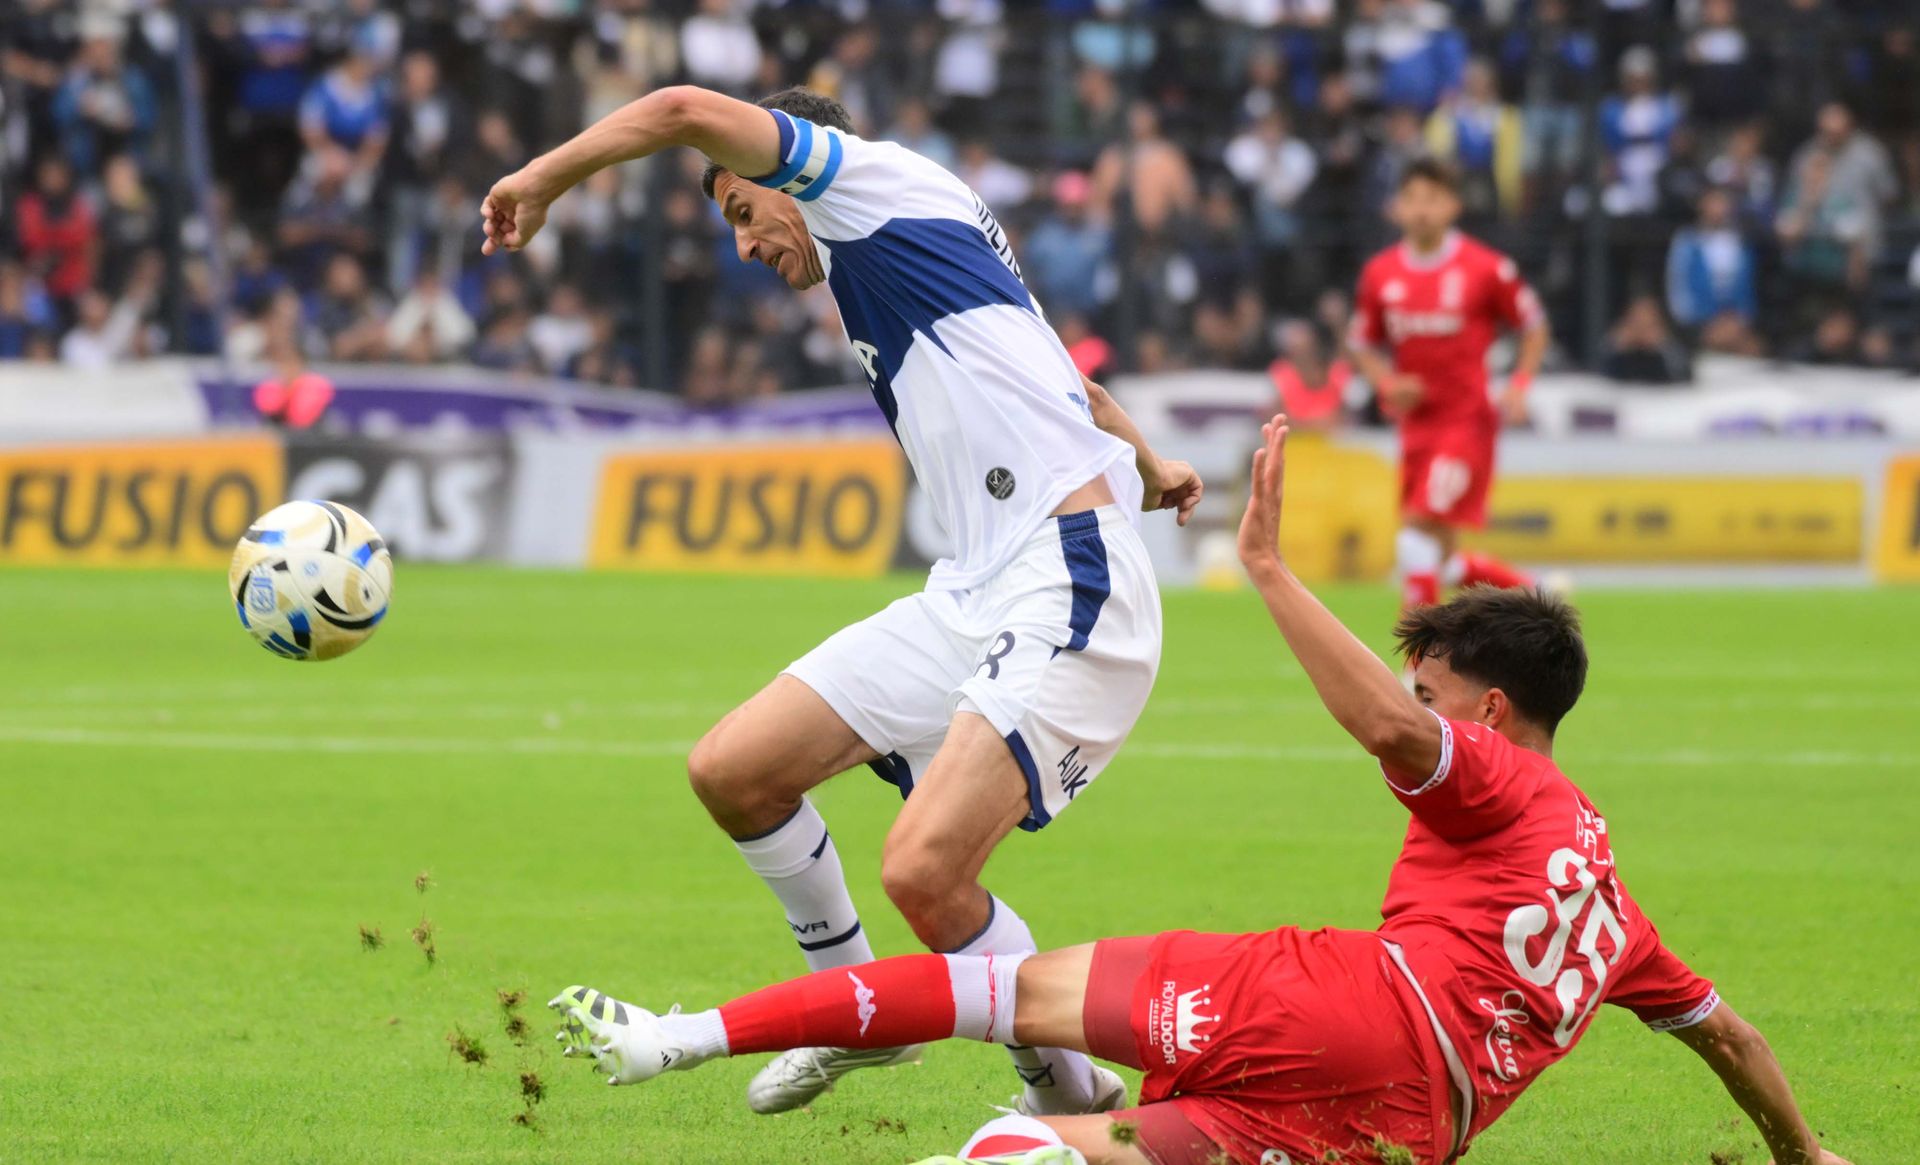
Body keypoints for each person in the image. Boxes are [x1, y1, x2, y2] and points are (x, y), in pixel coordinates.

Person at [547, 416, 1851, 1165]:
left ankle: (683, 1036)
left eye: (1444, 688)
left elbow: (1393, 731)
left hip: (1337, 1007)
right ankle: (1039, 1130)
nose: (1434, 712)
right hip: (1399, 1134)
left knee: (994, 985)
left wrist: (1272, 570)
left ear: (1496, 711)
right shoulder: (1615, 913)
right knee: (1066, 1156)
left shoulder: (1497, 779)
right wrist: (1807, 1154)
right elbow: (1730, 1038)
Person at [480, 84, 1203, 1118]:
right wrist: (1154, 458)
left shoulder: (862, 184)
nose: (742, 246)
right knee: (735, 769)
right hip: (975, 587)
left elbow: (683, 104)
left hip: (1068, 571)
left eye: (741, 212)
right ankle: (853, 1015)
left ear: (788, 173)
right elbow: (1065, 381)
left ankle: (1072, 1095)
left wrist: (540, 180)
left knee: (925, 872)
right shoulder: (911, 237)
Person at [1348, 157, 1548, 614]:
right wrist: (1388, 382)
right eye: (1412, 200)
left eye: (1432, 200)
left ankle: (1416, 665)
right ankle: (1532, 597)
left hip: (1466, 423)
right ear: (1395, 208)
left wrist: (1518, 385)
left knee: (1415, 535)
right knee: (1440, 557)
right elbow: (1361, 342)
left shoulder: (1485, 268)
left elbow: (1534, 326)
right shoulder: (1381, 274)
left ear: (1453, 206)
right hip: (1416, 429)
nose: (1421, 210)